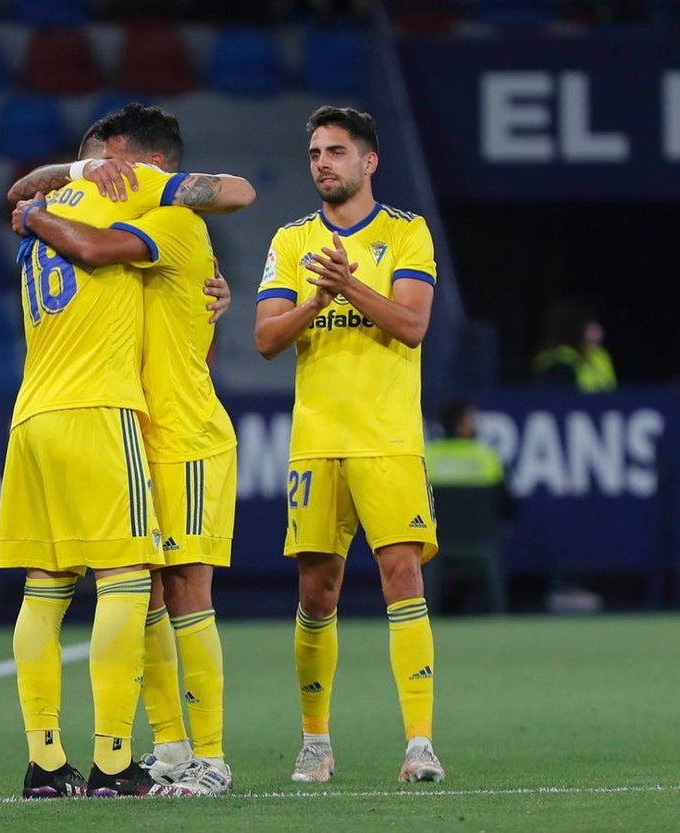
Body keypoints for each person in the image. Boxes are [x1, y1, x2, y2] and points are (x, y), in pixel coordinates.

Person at [0, 125, 254, 798]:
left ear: (134, 158)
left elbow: (234, 194)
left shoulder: (151, 214)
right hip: (115, 417)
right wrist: (70, 175)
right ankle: (144, 752)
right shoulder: (103, 206)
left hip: (169, 430)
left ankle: (204, 754)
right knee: (134, 587)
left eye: (105, 161)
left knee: (153, 589)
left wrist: (41, 205)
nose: (95, 176)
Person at [254, 105, 445, 784]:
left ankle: (419, 744)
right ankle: (315, 742)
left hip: (387, 437)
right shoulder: (289, 238)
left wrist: (348, 285)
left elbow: (412, 325)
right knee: (316, 592)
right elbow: (267, 338)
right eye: (313, 153)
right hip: (317, 439)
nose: (322, 164)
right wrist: (314, 299)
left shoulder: (405, 233)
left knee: (402, 574)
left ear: (369, 162)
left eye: (336, 151)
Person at [425, 398, 511, 614]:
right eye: (471, 420)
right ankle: (498, 612)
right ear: (460, 426)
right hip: (481, 543)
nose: (475, 424)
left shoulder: (428, 458)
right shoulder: (488, 459)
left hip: (438, 543)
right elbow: (508, 507)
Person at [531, 296, 616, 392]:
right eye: (589, 323)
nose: (597, 328)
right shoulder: (560, 363)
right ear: (575, 327)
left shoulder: (599, 355)